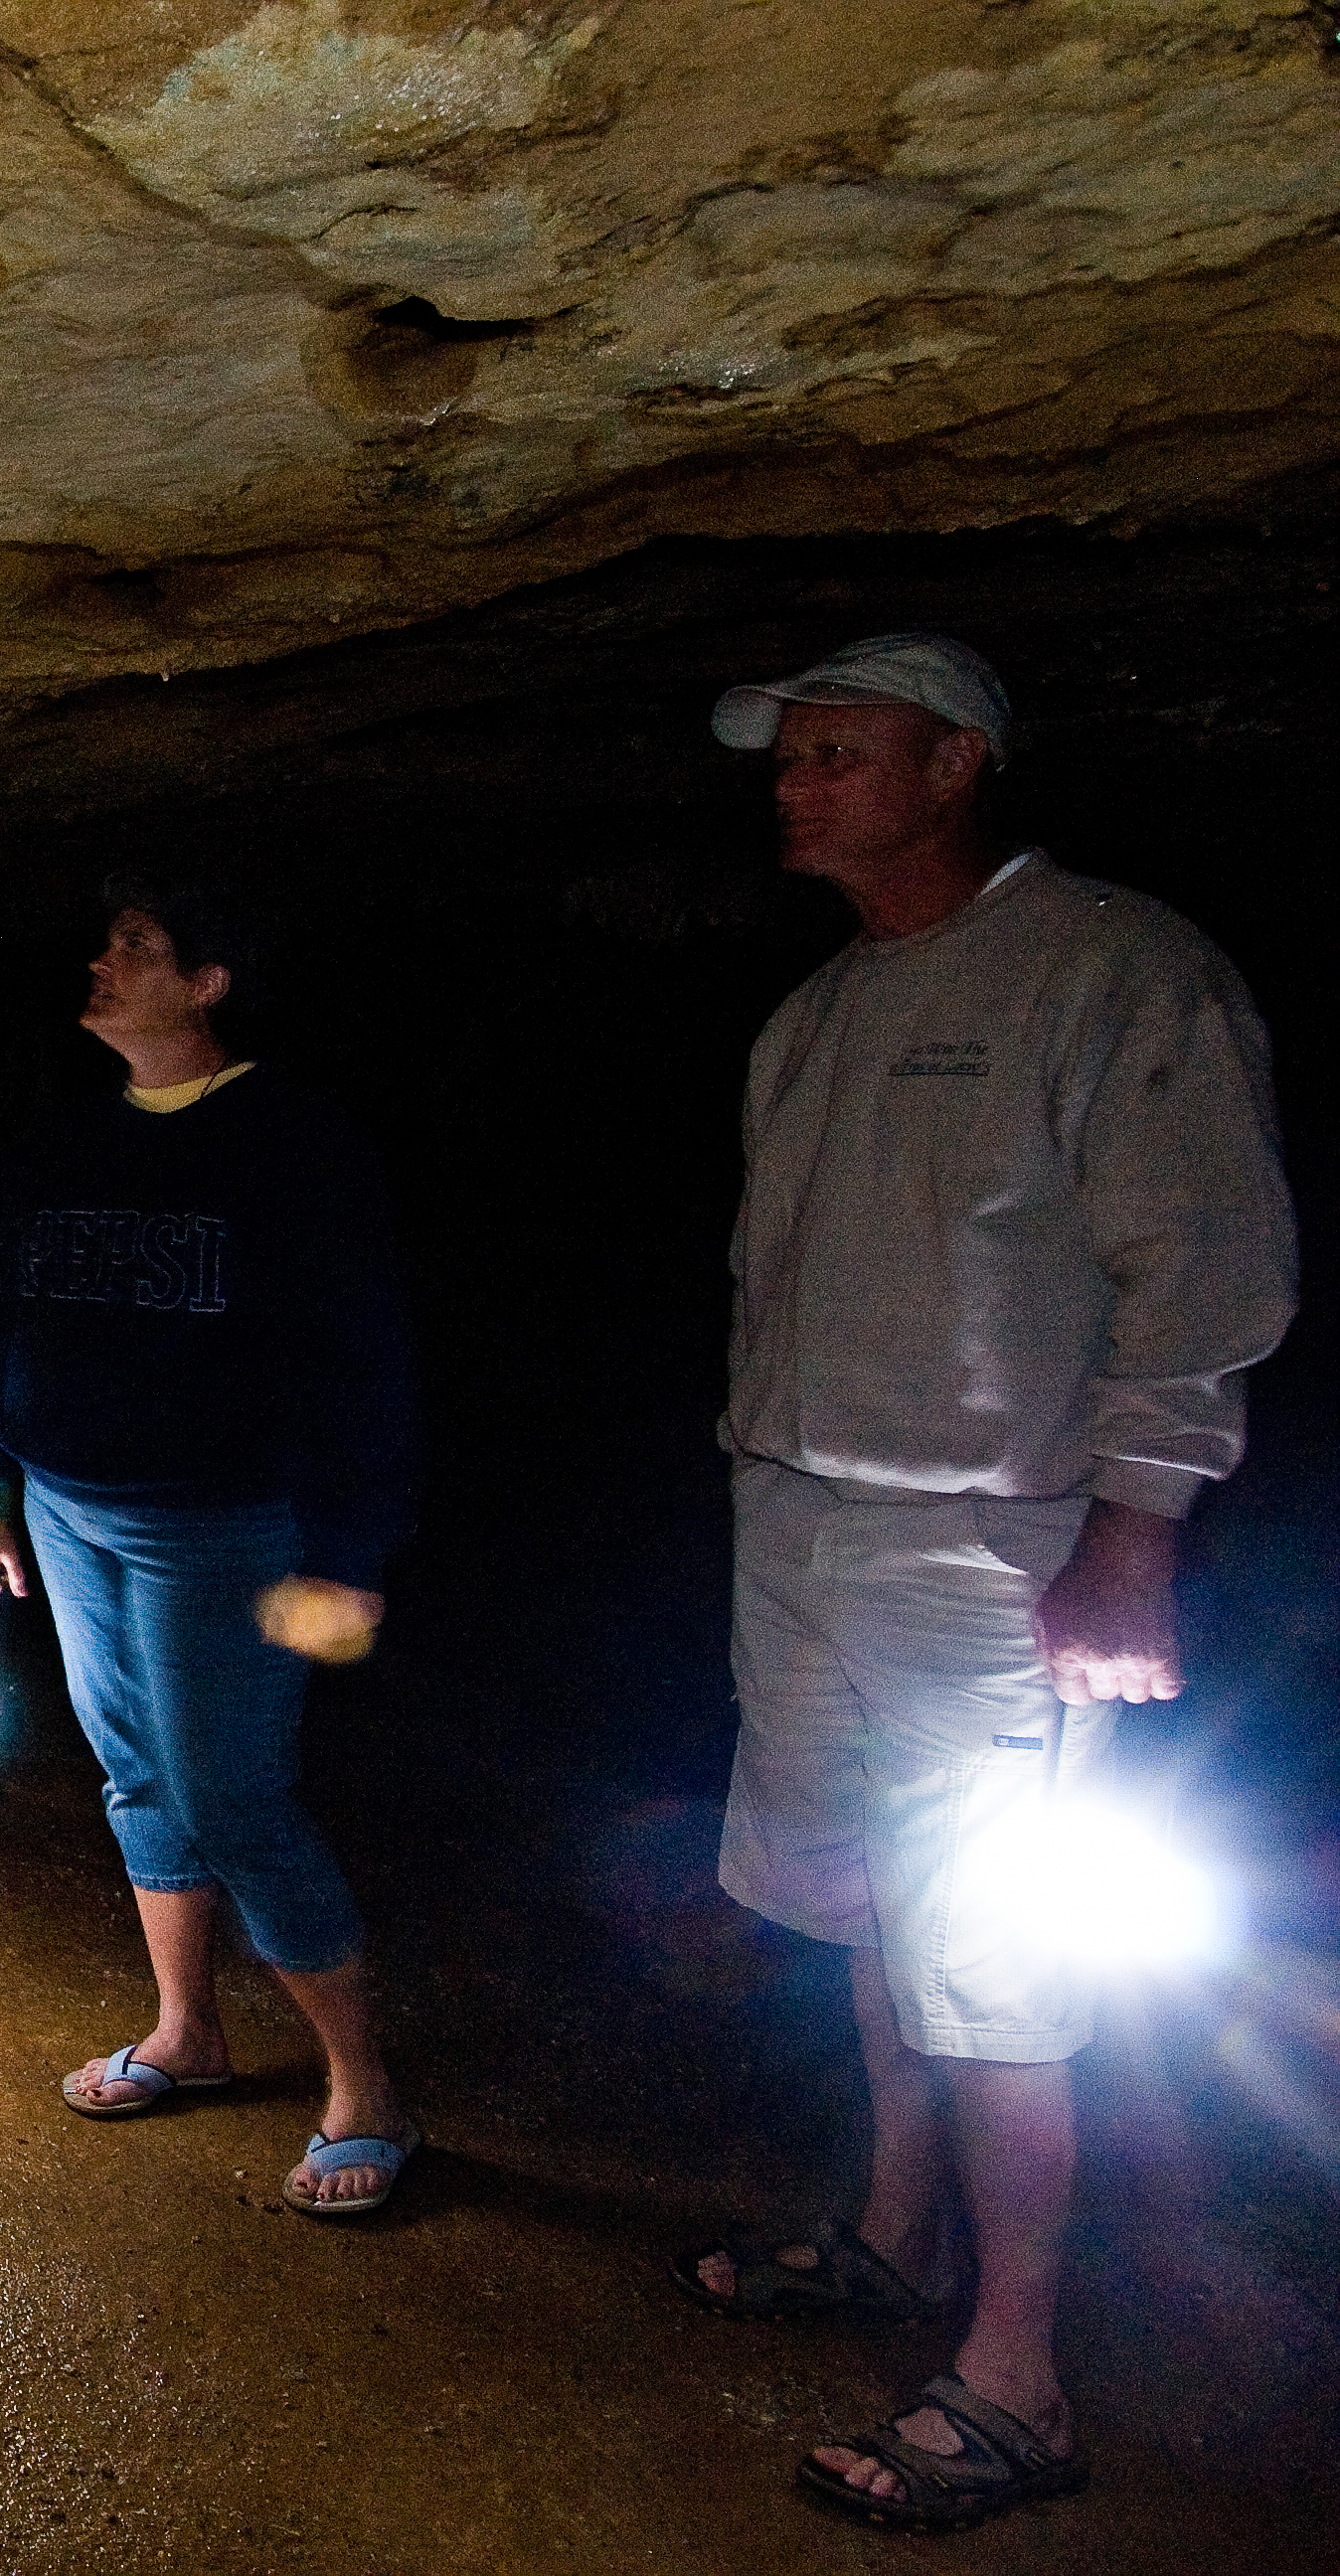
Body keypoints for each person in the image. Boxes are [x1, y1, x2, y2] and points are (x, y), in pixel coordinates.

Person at [677, 635, 1294, 2532]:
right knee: (870, 1901)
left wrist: (1133, 1539)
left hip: (992, 1554)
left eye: (836, 753)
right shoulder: (817, 1012)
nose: (794, 781)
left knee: (1001, 1957)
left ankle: (1017, 2373)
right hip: (797, 1517)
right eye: (787, 757)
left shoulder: (1111, 967)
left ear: (955, 766)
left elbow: (1195, 1271)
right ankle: (891, 2226)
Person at [0, 872, 423, 2218]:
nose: (102, 962)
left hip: (227, 1526)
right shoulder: (59, 1140)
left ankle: (361, 2085)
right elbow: (0, 1316)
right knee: (134, 1770)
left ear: (209, 983)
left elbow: (361, 1358)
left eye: (138, 947)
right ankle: (187, 2032)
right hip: (69, 1505)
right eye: (106, 941)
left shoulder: (295, 1142)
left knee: (233, 1795)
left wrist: (350, 1550)